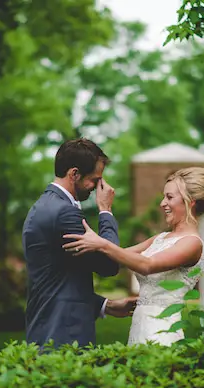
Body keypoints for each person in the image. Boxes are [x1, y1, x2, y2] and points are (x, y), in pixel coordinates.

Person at [63, 167, 204, 345]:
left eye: (169, 197)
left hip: (162, 332)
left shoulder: (192, 243)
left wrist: (102, 243)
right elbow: (117, 257)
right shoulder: (160, 238)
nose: (162, 203)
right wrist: (104, 210)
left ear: (189, 201)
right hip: (140, 327)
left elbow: (148, 265)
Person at [22, 138, 136, 349]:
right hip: (63, 334)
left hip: (46, 329)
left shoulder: (43, 206)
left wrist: (105, 306)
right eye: (95, 179)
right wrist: (105, 211)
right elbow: (108, 265)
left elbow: (58, 277)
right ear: (74, 174)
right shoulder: (65, 213)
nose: (97, 187)